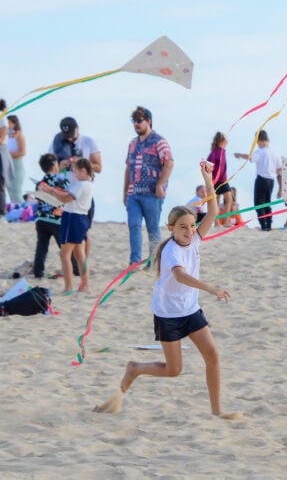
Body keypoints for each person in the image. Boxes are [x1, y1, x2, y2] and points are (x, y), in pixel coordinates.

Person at [117, 162, 231, 416]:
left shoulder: (196, 238)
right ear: (171, 229)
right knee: (173, 370)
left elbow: (212, 211)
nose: (190, 231)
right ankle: (135, 367)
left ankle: (217, 410)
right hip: (168, 314)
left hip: (190, 310)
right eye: (183, 227)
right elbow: (180, 277)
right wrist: (210, 288)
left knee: (212, 355)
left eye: (192, 226)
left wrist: (207, 178)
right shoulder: (170, 251)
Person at [124, 106, 174, 267]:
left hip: (152, 194)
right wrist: (125, 191)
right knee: (134, 226)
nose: (136, 124)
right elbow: (128, 168)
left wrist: (160, 185)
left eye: (139, 120)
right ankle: (135, 261)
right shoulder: (132, 143)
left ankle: (153, 262)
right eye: (134, 121)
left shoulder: (158, 141)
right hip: (134, 194)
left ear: (149, 121)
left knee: (153, 229)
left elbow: (169, 162)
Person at [49, 116, 102, 263]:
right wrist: (61, 165)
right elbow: (50, 169)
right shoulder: (57, 141)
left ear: (77, 129)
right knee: (68, 234)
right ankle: (76, 264)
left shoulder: (88, 142)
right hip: (65, 191)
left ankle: (82, 263)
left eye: (71, 137)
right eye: (67, 137)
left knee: (84, 232)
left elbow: (99, 167)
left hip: (83, 194)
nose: (69, 140)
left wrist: (81, 164)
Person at [39, 158, 94, 295]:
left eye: (76, 172)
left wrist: (51, 191)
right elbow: (67, 196)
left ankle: (69, 287)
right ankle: (85, 285)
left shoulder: (81, 185)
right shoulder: (88, 184)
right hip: (81, 218)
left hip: (73, 218)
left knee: (65, 254)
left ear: (83, 170)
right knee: (79, 254)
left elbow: (65, 199)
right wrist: (53, 191)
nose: (75, 175)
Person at [234, 129, 281, 231]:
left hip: (262, 179)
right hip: (271, 181)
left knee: (258, 203)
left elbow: (251, 158)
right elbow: (279, 170)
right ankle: (268, 225)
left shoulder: (261, 151)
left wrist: (239, 155)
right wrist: (280, 187)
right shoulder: (274, 153)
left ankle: (264, 225)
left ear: (259, 140)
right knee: (267, 202)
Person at [32, 153, 70, 279]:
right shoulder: (61, 179)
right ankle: (74, 268)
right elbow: (68, 195)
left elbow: (38, 199)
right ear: (54, 164)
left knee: (41, 247)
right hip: (56, 219)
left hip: (41, 217)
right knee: (64, 246)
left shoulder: (40, 183)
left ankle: (38, 271)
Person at [206, 132, 232, 218]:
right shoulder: (217, 152)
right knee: (227, 200)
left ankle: (220, 222)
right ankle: (222, 222)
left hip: (220, 180)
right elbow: (209, 165)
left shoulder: (217, 152)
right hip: (219, 180)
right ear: (224, 141)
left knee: (218, 201)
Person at [6, 115, 27, 203]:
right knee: (10, 191)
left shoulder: (18, 134)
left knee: (16, 191)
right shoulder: (6, 135)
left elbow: (22, 152)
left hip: (16, 164)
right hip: (8, 164)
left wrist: (7, 154)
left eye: (9, 123)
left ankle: (24, 212)